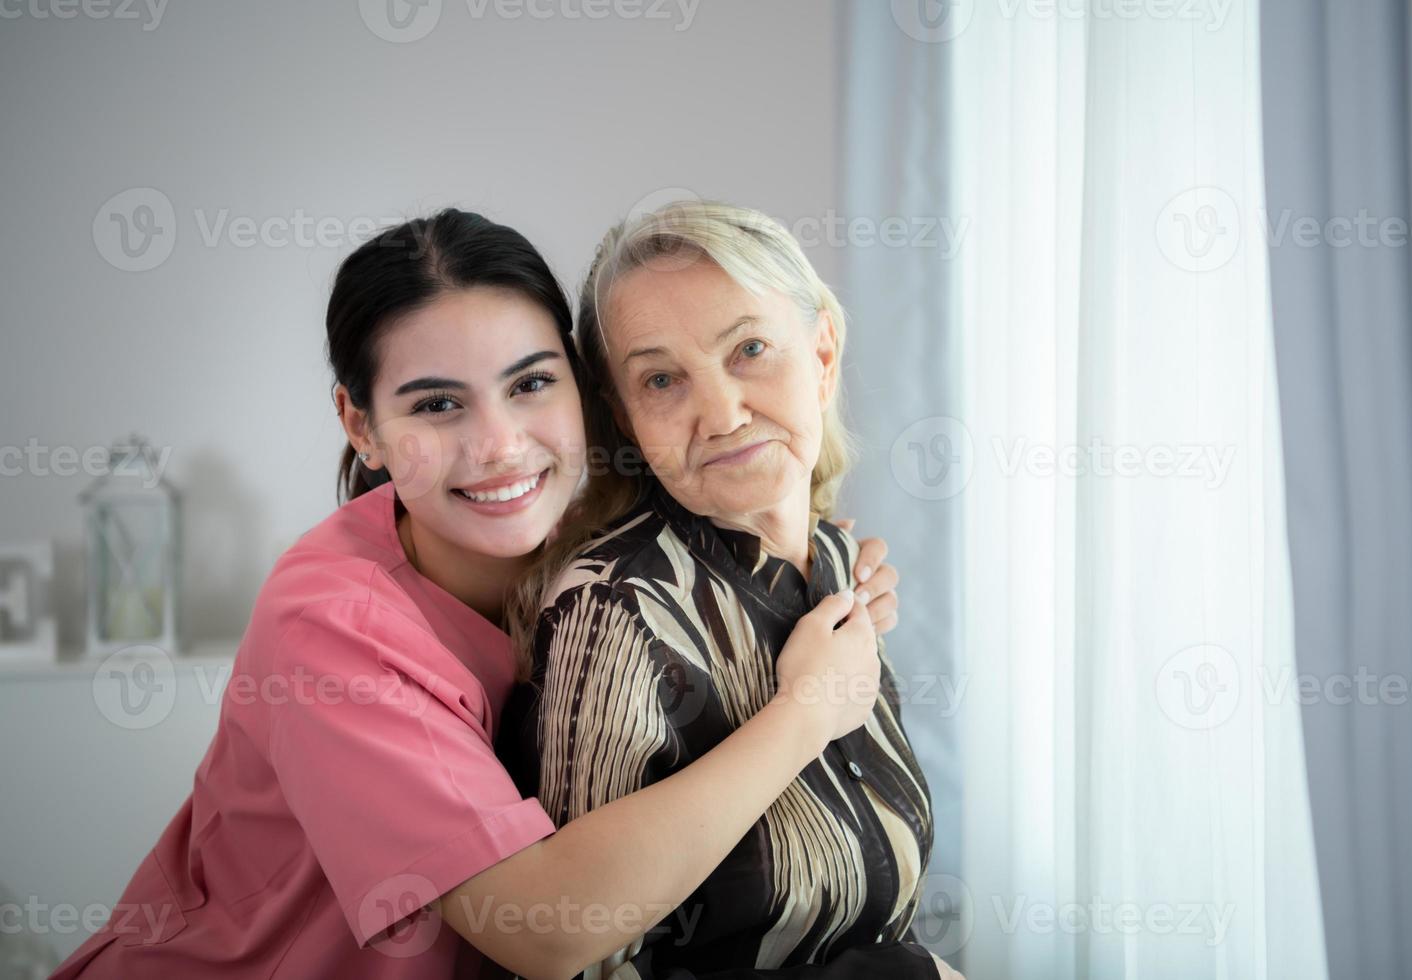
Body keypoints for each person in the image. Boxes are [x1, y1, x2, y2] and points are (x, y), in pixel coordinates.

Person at [48, 209, 922, 980]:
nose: (500, 447)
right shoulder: (332, 628)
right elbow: (544, 931)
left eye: (531, 383)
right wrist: (809, 710)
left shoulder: (589, 527)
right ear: (363, 426)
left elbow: (742, 458)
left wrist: (829, 570)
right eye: (437, 405)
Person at [500, 201, 958, 979]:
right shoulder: (615, 608)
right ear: (624, 413)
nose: (721, 412)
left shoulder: (837, 569)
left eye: (749, 348)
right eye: (661, 379)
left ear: (822, 352)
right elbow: (590, 963)